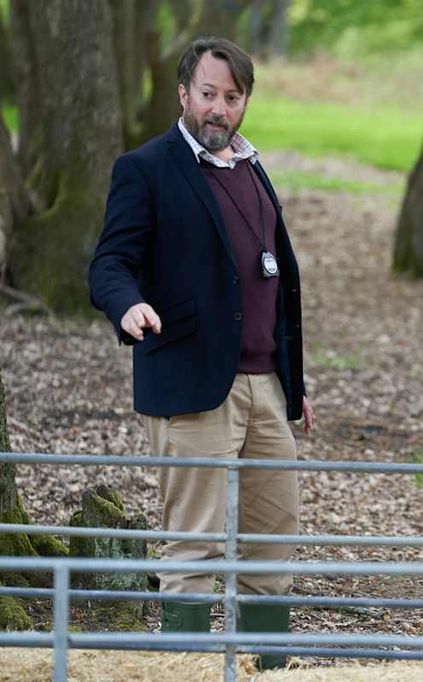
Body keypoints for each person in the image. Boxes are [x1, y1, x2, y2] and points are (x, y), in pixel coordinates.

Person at [89, 37, 313, 669]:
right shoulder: (147, 167)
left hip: (266, 385)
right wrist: (127, 304)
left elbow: (270, 279)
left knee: (273, 544)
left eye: (232, 97)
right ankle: (182, 667)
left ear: (245, 101)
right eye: (208, 94)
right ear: (184, 94)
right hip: (190, 383)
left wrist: (292, 379)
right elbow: (110, 263)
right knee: (192, 546)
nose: (220, 109)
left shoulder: (250, 167)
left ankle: (267, 666)